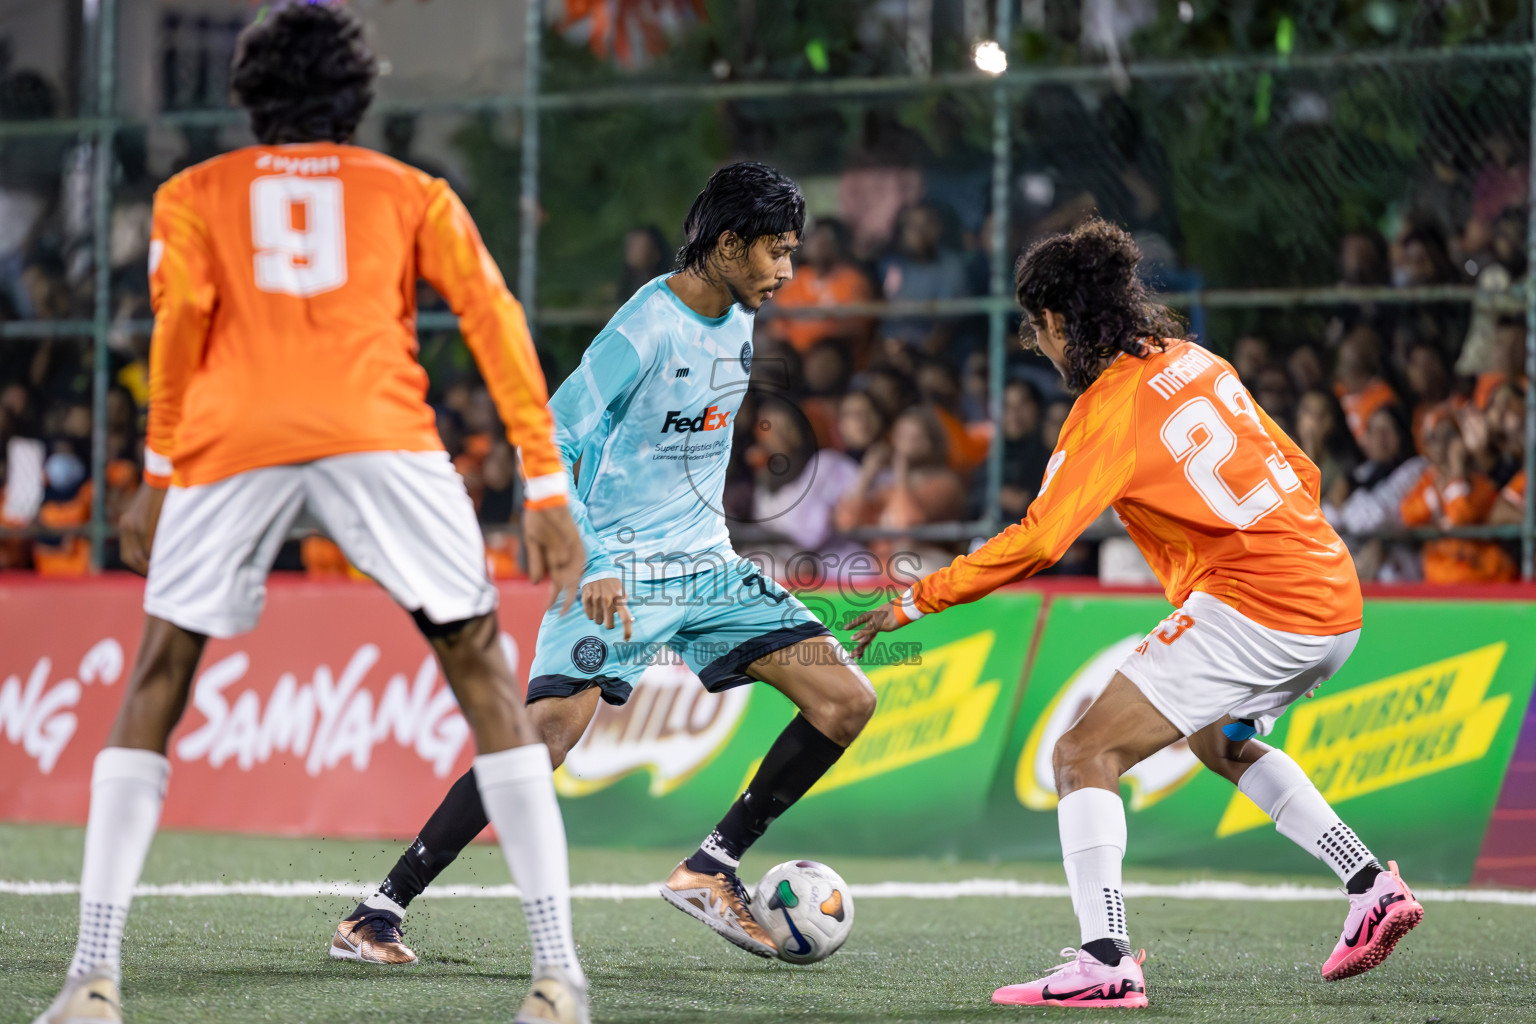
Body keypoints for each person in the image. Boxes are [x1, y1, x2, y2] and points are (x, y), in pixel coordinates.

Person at [31, 7, 592, 1024]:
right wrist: (544, 484)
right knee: (483, 675)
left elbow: (179, 331)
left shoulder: (192, 194)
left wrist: (156, 472)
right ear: (358, 95)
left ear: (247, 96)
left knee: (159, 673)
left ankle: (92, 978)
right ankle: (558, 979)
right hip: (379, 433)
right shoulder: (412, 190)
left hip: (233, 436)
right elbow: (493, 318)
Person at [849, 219, 1421, 1009]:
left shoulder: (1106, 409)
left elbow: (1039, 539)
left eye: (1036, 328)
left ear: (1057, 322)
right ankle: (1371, 888)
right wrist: (1291, 605)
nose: (1038, 346)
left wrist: (917, 597)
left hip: (1257, 605)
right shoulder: (1196, 360)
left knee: (1083, 751)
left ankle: (1105, 957)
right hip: (1332, 592)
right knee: (1217, 741)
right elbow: (1301, 470)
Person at [339, 162, 877, 963]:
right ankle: (379, 908)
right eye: (775, 252)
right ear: (728, 245)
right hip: (617, 566)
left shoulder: (737, 316)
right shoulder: (642, 331)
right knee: (545, 738)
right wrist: (588, 561)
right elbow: (550, 438)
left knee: (844, 700)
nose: (787, 271)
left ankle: (711, 866)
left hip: (707, 567)